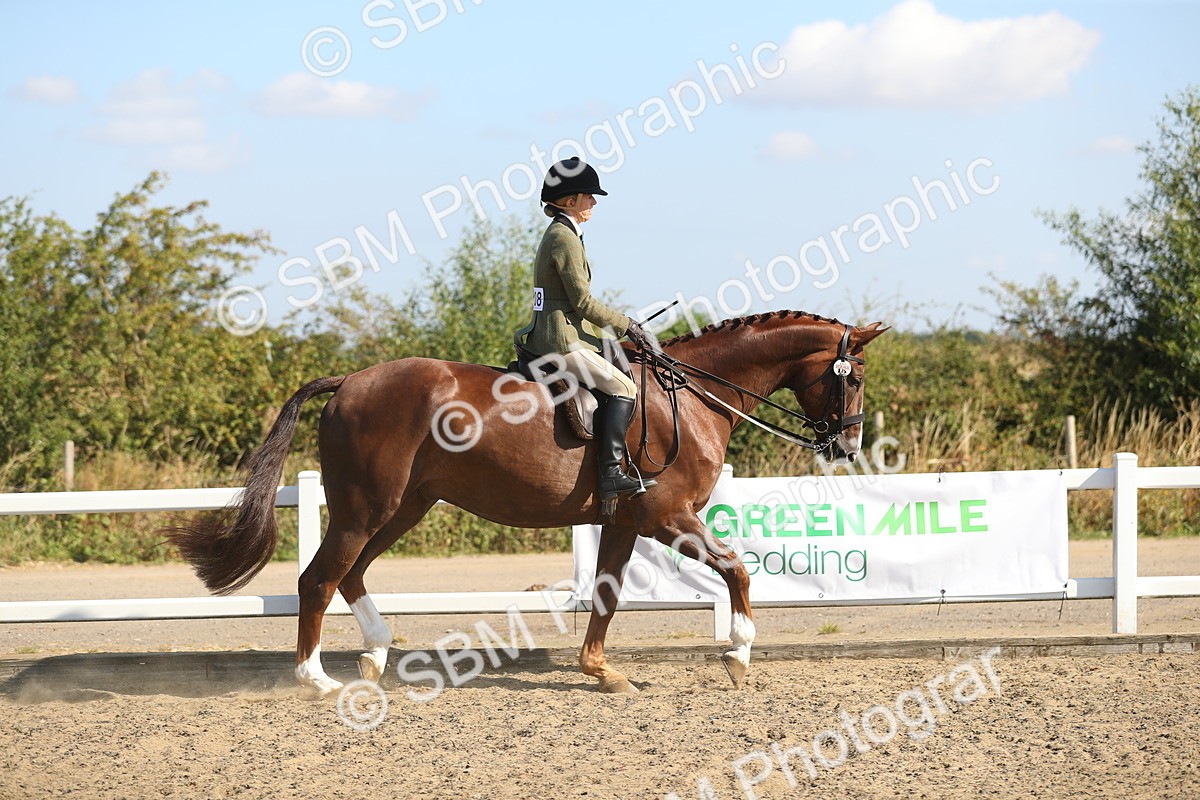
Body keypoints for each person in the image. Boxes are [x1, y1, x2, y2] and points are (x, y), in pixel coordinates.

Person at [515, 157, 656, 501]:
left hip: (560, 329)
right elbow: (583, 303)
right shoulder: (564, 238)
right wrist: (628, 326)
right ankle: (610, 473)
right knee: (624, 387)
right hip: (559, 339)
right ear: (568, 202)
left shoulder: (565, 233)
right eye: (588, 196)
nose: (594, 201)